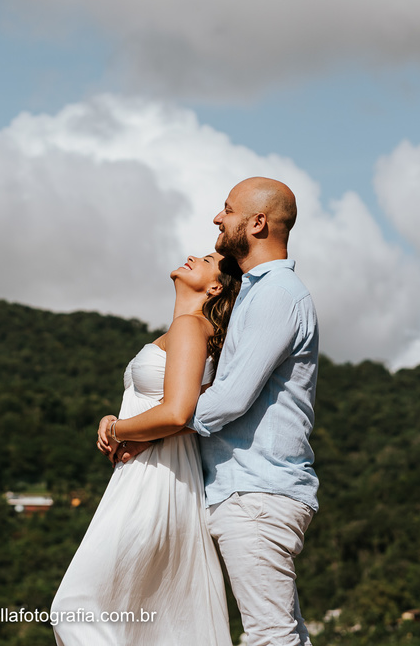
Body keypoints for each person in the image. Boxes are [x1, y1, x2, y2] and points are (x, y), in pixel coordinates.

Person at [112, 177, 320, 646]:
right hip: (248, 491)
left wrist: (143, 429)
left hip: (256, 492)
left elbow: (228, 399)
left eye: (227, 209)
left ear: (258, 222)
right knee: (287, 635)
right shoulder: (256, 292)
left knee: (270, 637)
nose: (217, 218)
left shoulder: (278, 293)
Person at [51, 252, 242, 646]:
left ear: (215, 287)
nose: (191, 257)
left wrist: (119, 430)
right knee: (151, 621)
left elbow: (176, 413)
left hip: (155, 478)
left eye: (205, 259)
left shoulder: (190, 326)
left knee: (75, 608)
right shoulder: (186, 329)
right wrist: (121, 423)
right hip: (154, 473)